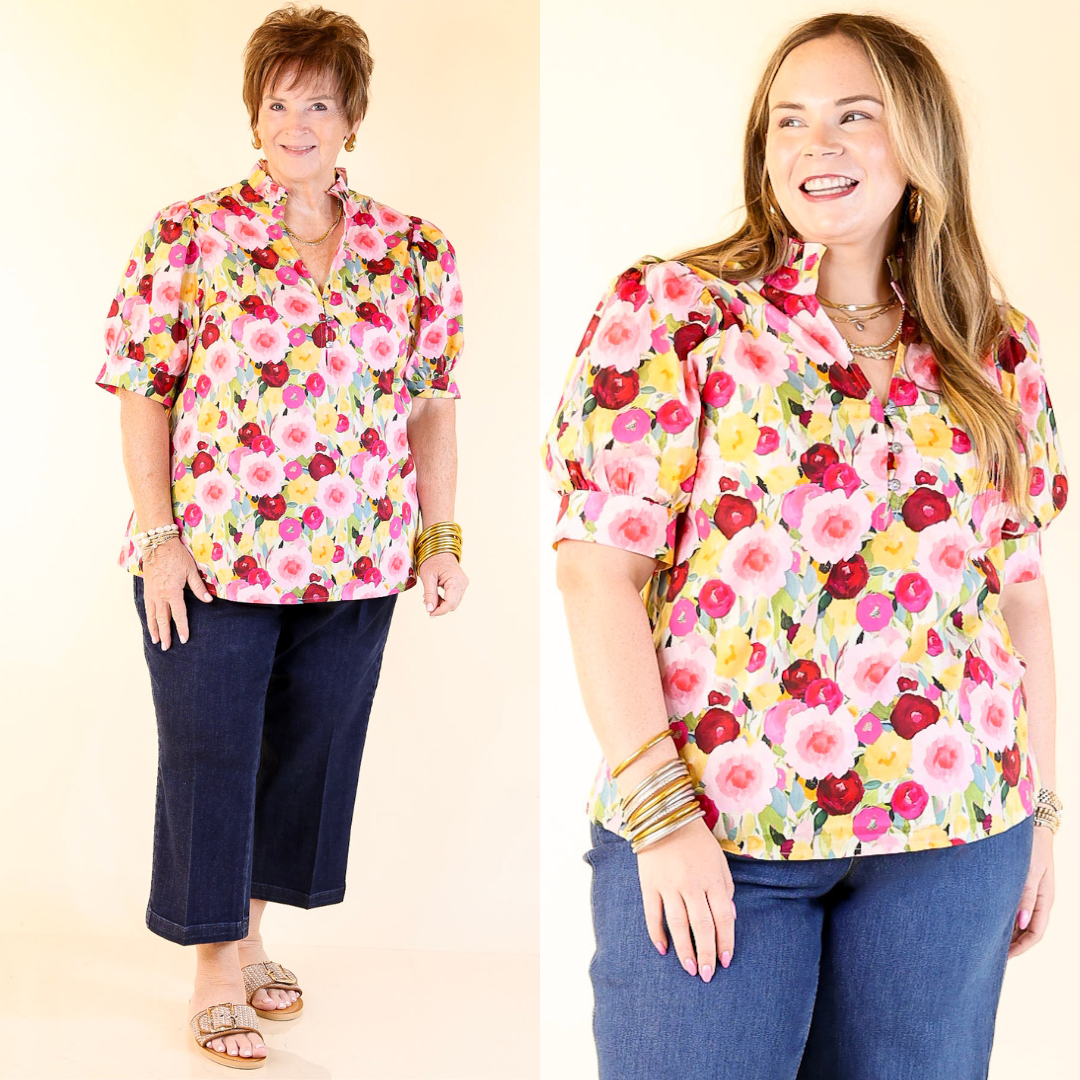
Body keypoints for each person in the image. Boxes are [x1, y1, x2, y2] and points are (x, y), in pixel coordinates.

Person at [543, 12, 1066, 1079]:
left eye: (852, 117)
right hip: (718, 835)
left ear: (919, 144)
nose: (813, 145)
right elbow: (597, 568)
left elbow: (1019, 591)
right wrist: (661, 818)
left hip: (957, 834)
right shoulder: (679, 312)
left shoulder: (993, 345)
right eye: (789, 120)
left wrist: (1045, 809)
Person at [97, 4, 467, 1068]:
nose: (296, 120)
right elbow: (143, 391)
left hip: (358, 559)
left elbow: (433, 403)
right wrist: (158, 534)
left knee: (308, 756)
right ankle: (213, 966)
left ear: (351, 117)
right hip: (210, 559)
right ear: (252, 115)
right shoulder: (187, 235)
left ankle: (254, 934)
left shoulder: (414, 251)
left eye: (319, 100)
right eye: (278, 101)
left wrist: (441, 537)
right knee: (212, 752)